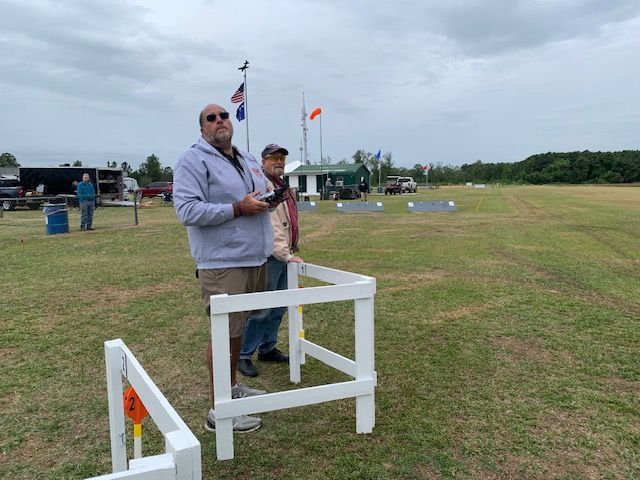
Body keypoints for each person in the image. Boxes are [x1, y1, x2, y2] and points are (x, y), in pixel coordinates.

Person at [173, 103, 273, 434]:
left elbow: (257, 194)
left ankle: (231, 388)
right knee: (223, 333)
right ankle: (219, 411)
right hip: (222, 263)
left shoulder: (246, 158)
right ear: (202, 128)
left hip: (254, 258)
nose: (220, 121)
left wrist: (270, 198)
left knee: (236, 331)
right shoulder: (192, 160)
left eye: (224, 116)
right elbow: (187, 210)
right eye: (211, 118)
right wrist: (237, 208)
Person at [238, 144, 303, 378]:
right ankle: (244, 354)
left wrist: (290, 250)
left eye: (282, 159)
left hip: (284, 255)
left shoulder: (282, 186)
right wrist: (286, 254)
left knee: (279, 306)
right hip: (271, 256)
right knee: (262, 308)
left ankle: (267, 347)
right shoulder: (262, 186)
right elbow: (272, 226)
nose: (279, 162)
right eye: (274, 158)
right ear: (263, 161)